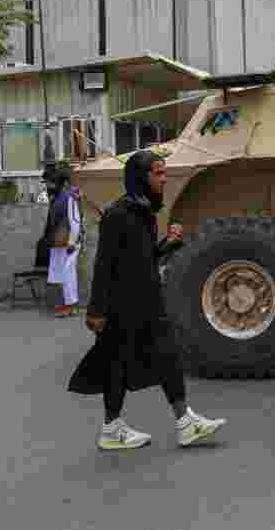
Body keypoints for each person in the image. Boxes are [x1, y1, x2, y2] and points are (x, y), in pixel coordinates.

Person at [67, 150, 226, 451]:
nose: (164, 180)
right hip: (123, 306)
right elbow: (105, 264)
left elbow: (144, 258)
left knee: (154, 359)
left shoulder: (144, 213)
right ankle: (128, 427)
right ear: (140, 177)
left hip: (145, 303)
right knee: (123, 364)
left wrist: (169, 244)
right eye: (158, 173)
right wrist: (97, 311)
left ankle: (173, 423)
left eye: (165, 173)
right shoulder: (118, 214)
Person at [42, 165, 82, 318]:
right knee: (59, 273)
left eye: (49, 183)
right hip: (58, 242)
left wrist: (72, 242)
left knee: (68, 273)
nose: (47, 186)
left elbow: (75, 220)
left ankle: (71, 305)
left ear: (57, 183)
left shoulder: (69, 198)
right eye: (46, 183)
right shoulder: (55, 198)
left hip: (69, 242)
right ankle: (64, 304)